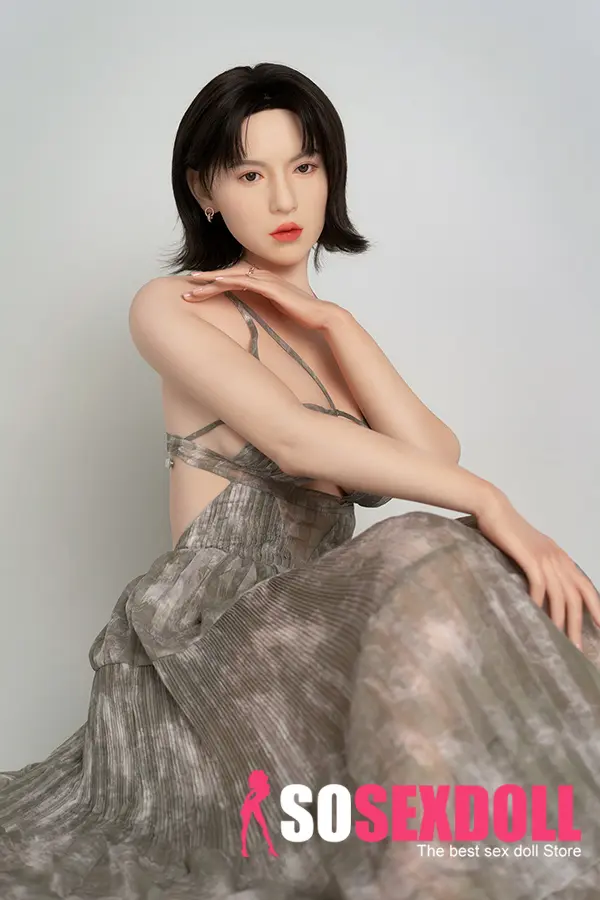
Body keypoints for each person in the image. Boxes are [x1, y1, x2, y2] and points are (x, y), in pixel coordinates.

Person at [1, 61, 600, 900]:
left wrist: (336, 323)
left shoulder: (327, 334)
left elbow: (436, 456)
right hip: (213, 639)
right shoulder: (171, 306)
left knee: (499, 573)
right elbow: (295, 442)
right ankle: (425, 870)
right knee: (431, 540)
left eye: (305, 166)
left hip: (322, 626)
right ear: (205, 190)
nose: (284, 199)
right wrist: (494, 503)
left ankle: (441, 862)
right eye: (250, 174)